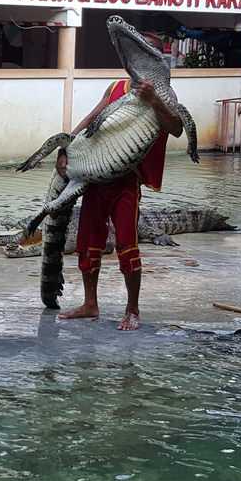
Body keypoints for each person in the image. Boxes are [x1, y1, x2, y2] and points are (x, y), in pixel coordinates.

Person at [56, 31, 182, 331]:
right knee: (88, 243)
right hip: (96, 177)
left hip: (127, 180)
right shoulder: (116, 87)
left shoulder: (163, 92)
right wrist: (65, 148)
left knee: (127, 243)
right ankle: (90, 303)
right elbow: (91, 118)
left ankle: (133, 308)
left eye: (148, 52)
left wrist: (154, 101)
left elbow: (176, 127)